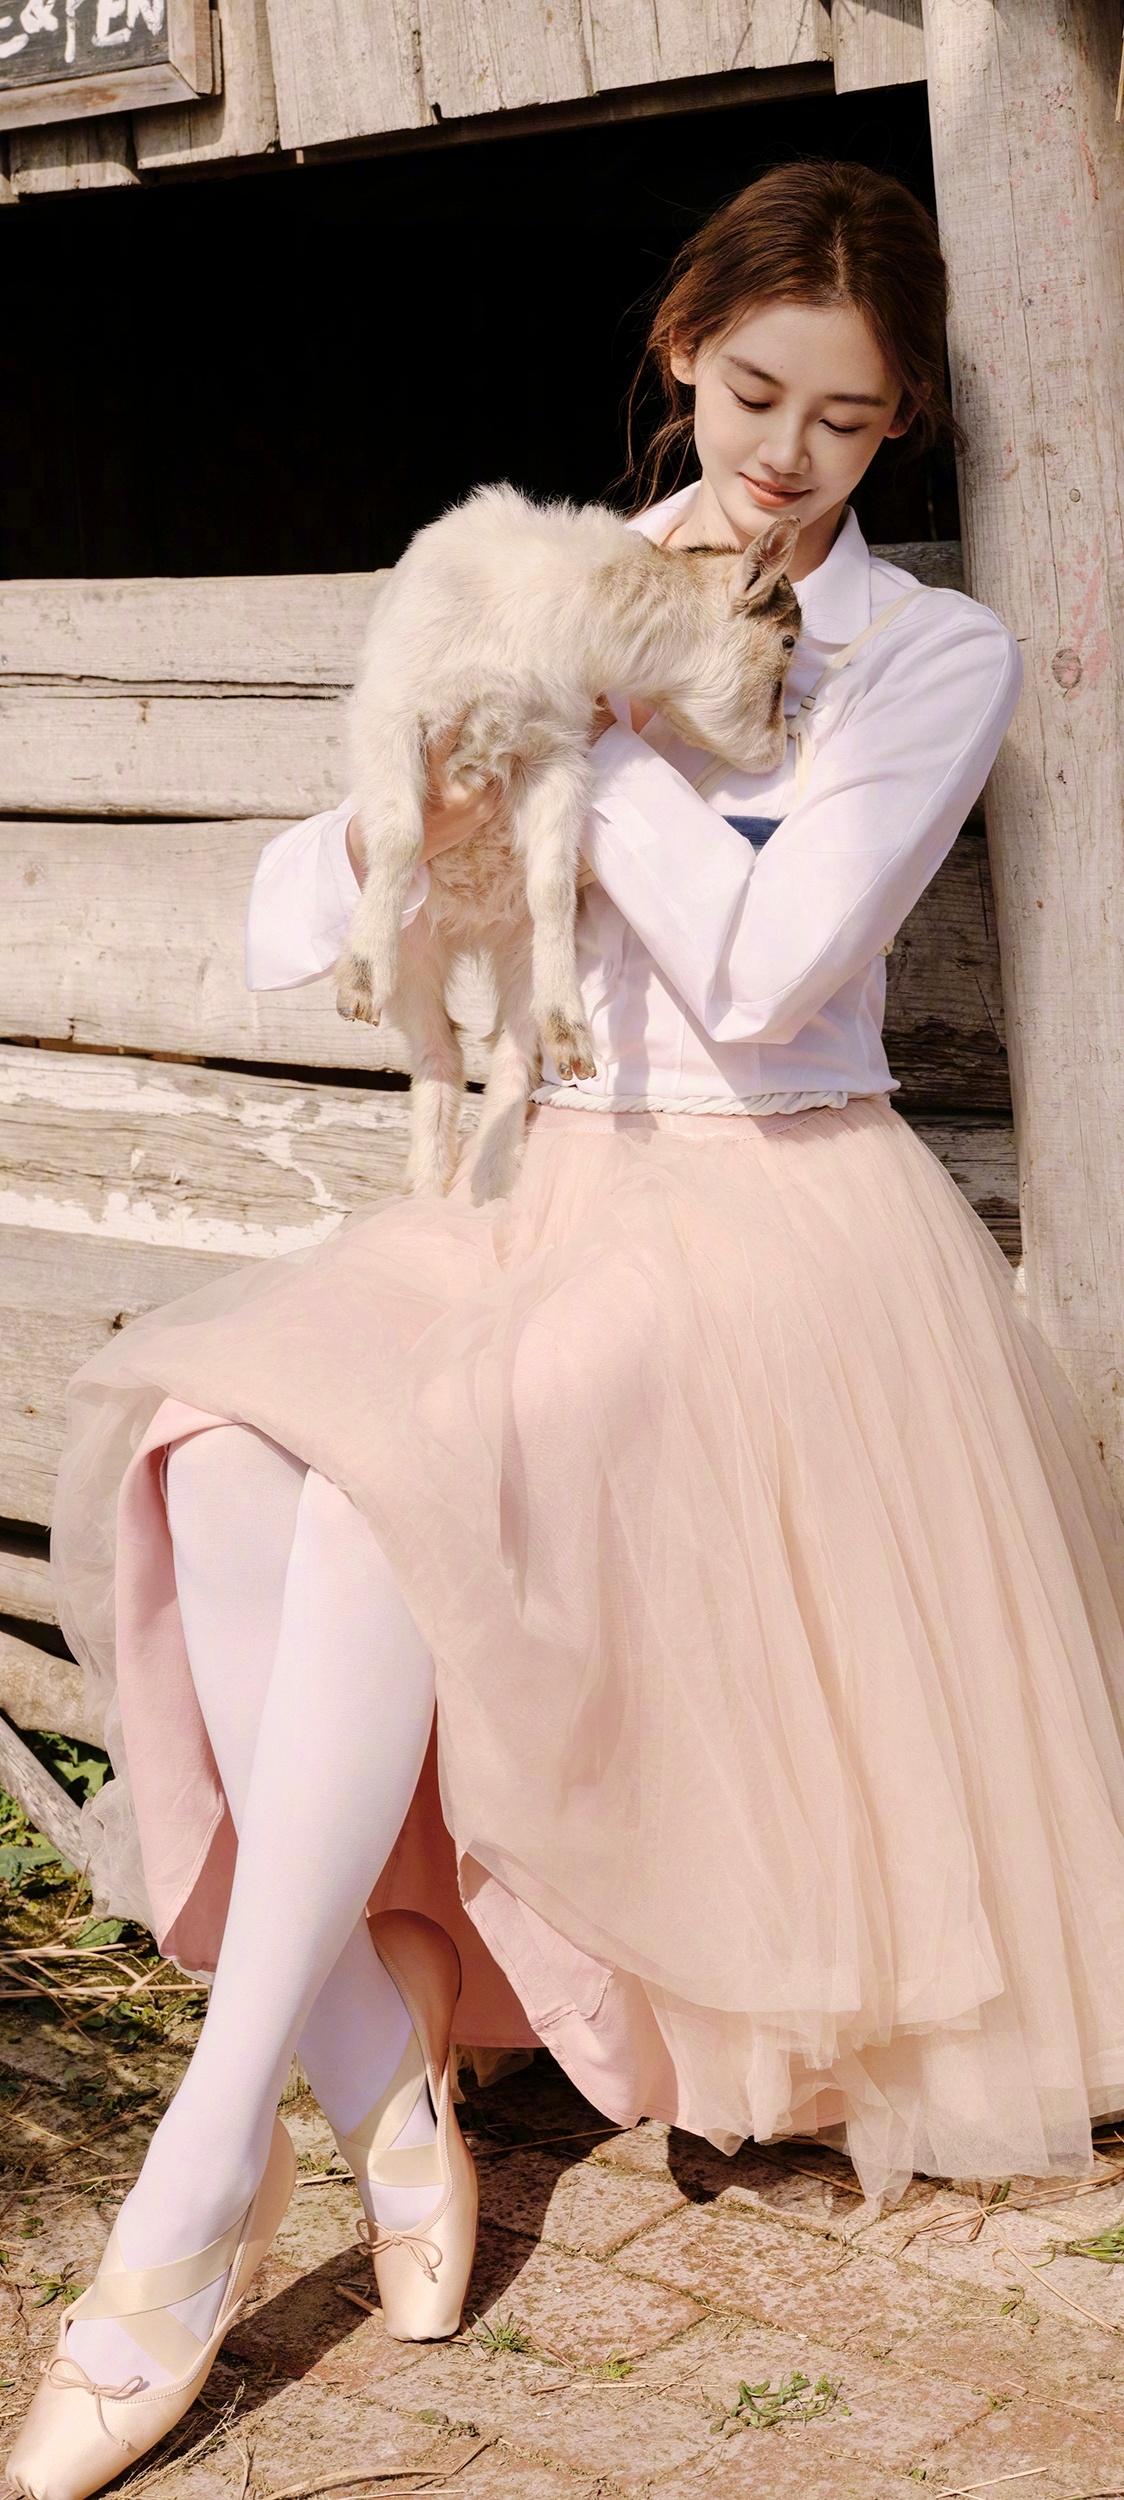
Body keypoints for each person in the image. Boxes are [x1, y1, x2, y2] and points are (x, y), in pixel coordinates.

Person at [11, 157, 1124, 2500]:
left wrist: (589, 727)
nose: (785, 457)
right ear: (680, 351)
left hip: (776, 1220)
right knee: (221, 1442)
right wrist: (429, 770)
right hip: (544, 1187)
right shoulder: (538, 567)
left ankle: (195, 2185)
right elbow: (293, 899)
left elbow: (766, 969)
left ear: (900, 424)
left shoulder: (926, 655)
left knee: (390, 1492)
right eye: (752, 393)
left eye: (846, 419)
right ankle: (375, 2063)